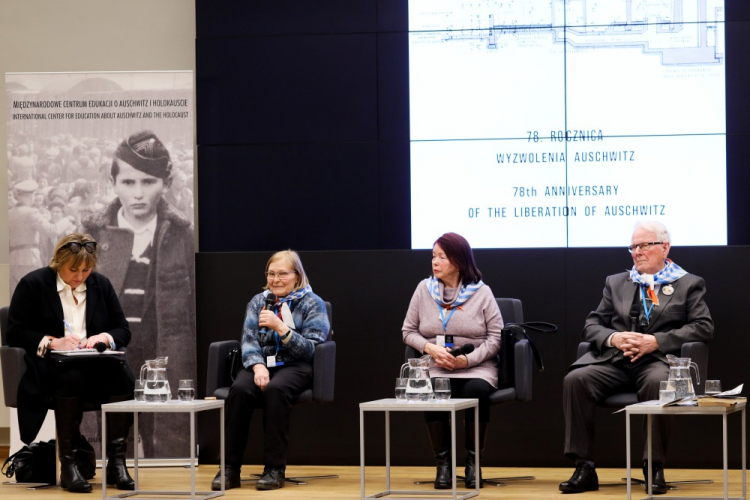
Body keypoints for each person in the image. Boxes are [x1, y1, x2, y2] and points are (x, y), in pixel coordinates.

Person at [560, 221, 714, 494]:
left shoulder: (688, 283)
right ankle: (583, 467)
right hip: (615, 361)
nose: (637, 252)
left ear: (664, 247)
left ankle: (653, 467)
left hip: (658, 362)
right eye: (633, 246)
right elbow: (592, 325)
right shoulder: (617, 282)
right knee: (576, 379)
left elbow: (703, 326)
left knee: (659, 383)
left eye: (644, 245)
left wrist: (657, 341)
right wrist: (614, 338)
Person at [81, 129, 195, 457]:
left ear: (166, 183)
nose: (138, 193)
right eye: (129, 182)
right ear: (114, 183)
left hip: (162, 355)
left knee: (167, 446)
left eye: (149, 181)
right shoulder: (92, 233)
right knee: (112, 444)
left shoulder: (180, 235)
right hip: (107, 357)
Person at [7, 233, 136, 494]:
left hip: (94, 363)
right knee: (72, 377)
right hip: (51, 366)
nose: (79, 276)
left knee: (123, 378)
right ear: (58, 262)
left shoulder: (101, 284)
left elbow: (123, 329)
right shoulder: (34, 284)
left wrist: (104, 337)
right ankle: (68, 465)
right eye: (73, 270)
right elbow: (15, 332)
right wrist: (53, 342)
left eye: (86, 270)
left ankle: (117, 463)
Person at [211, 250, 330, 491]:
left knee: (276, 389)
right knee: (241, 389)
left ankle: (274, 469)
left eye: (282, 274)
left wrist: (280, 328)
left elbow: (311, 349)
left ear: (297, 276)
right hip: (261, 363)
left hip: (296, 365)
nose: (275, 279)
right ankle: (230, 468)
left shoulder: (312, 303)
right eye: (271, 274)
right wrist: (257, 366)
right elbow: (248, 340)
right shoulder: (258, 301)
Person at [402, 232, 503, 489]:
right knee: (433, 391)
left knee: (476, 391)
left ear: (458, 261)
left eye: (442, 257)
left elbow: (495, 338)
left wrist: (466, 361)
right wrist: (430, 349)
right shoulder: (423, 290)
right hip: (437, 365)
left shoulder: (482, 292)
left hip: (476, 367)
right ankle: (443, 464)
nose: (435, 262)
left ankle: (473, 462)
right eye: (433, 256)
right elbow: (408, 331)